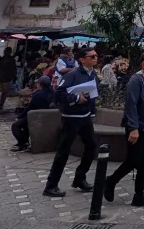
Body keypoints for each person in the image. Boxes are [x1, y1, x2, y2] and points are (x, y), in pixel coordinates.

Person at [105, 52, 144, 207]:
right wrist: (133, 128)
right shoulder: (136, 80)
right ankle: (111, 181)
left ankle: (139, 195)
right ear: (143, 64)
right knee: (134, 159)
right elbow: (131, 105)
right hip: (139, 127)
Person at [43, 48, 99, 198]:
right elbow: (58, 94)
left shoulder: (93, 74)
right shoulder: (72, 75)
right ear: (82, 59)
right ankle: (51, 185)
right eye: (92, 56)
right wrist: (75, 99)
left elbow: (93, 94)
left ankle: (80, 177)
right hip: (71, 116)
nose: (95, 58)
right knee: (64, 151)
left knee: (92, 145)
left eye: (96, 56)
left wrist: (92, 112)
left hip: (85, 116)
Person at [11, 75, 54, 152]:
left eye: (37, 83)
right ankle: (24, 142)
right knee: (25, 123)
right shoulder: (54, 92)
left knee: (15, 125)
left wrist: (19, 116)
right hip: (49, 116)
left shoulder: (38, 95)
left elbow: (29, 108)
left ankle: (23, 142)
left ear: (40, 84)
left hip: (36, 116)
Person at [0, 47, 18, 112]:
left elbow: (13, 70)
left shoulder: (12, 60)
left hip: (6, 79)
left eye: (6, 51)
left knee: (4, 93)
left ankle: (0, 105)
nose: (5, 52)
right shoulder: (0, 59)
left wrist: (14, 77)